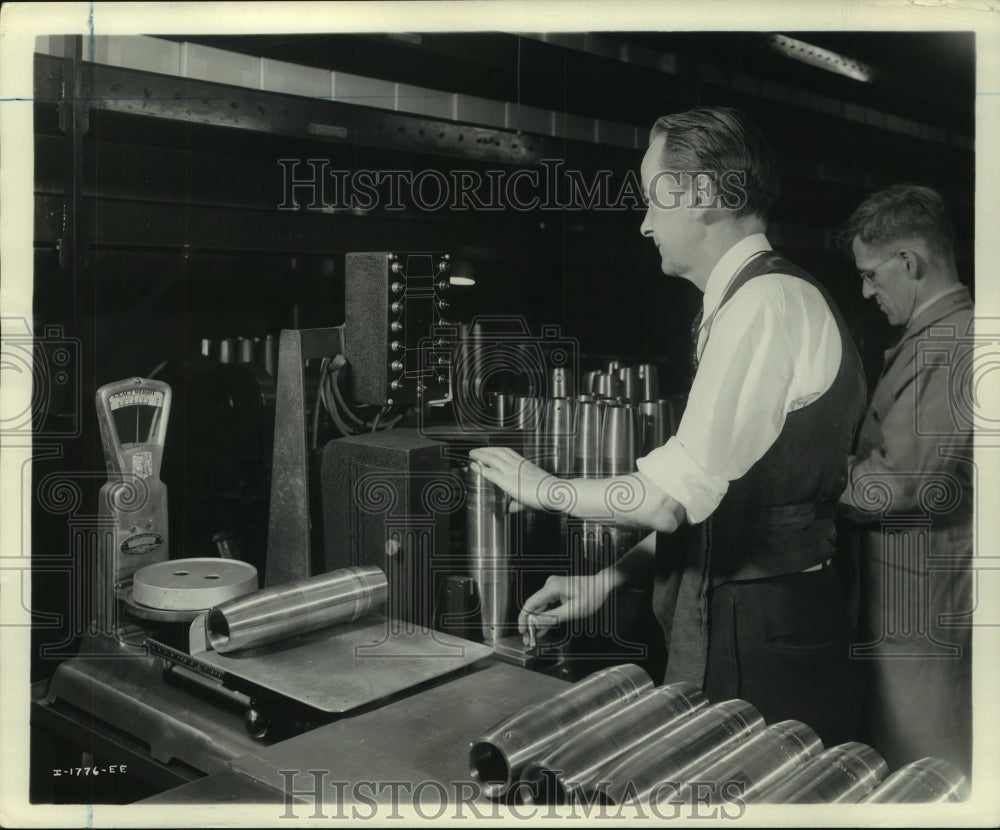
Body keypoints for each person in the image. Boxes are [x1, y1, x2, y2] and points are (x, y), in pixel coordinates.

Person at [471, 106, 867, 747]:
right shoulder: (743, 303)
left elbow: (667, 501)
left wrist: (543, 487)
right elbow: (716, 503)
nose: (645, 221)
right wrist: (604, 582)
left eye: (654, 197)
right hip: (739, 621)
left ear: (705, 194)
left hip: (764, 639)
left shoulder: (766, 304)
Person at [838, 184, 974, 777]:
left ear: (910, 263)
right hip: (907, 603)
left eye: (871, 274)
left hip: (921, 612)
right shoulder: (935, 337)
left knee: (924, 767)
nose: (866, 291)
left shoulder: (956, 342)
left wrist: (812, 477)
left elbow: (902, 483)